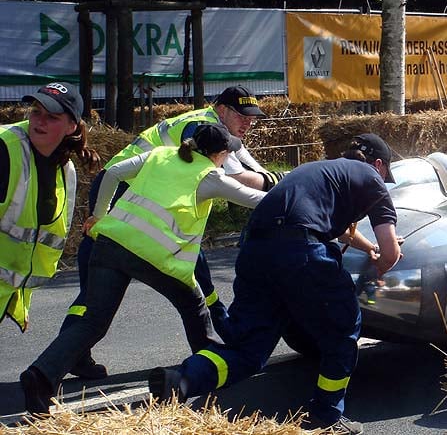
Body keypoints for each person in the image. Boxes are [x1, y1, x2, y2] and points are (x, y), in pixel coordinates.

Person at [147, 133, 403, 435]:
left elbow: (339, 231)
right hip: (301, 252)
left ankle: (180, 379)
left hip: (257, 251)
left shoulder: (319, 170)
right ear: (378, 164)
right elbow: (390, 252)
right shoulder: (371, 177)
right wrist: (382, 265)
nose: (384, 180)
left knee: (250, 348)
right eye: (386, 174)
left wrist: (368, 249)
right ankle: (326, 415)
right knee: (343, 327)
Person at [20, 123, 267, 415]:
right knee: (195, 306)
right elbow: (258, 200)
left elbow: (110, 172)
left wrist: (99, 215)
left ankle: (40, 376)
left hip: (110, 243)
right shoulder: (210, 175)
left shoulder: (160, 154)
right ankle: (209, 366)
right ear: (219, 154)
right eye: (227, 155)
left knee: (93, 321)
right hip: (155, 256)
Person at [60, 85, 283, 379]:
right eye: (243, 116)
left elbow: (248, 161)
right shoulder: (204, 126)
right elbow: (235, 177)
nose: (248, 123)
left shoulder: (218, 128)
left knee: (107, 282)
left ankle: (71, 352)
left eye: (253, 118)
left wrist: (271, 176)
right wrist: (280, 184)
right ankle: (221, 339)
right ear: (223, 110)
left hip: (130, 186)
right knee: (173, 274)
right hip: (127, 190)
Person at [1, 82, 99, 333]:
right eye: (36, 112)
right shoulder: (6, 150)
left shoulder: (66, 171)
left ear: (71, 127)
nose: (39, 121)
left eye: (51, 117)